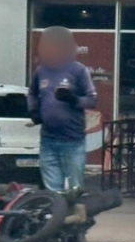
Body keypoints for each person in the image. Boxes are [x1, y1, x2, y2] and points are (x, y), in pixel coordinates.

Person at [28, 26, 97, 192]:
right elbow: (32, 93)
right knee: (52, 189)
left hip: (72, 141)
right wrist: (34, 111)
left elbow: (92, 100)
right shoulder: (41, 70)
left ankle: (74, 208)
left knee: (75, 188)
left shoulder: (78, 70)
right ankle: (56, 208)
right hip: (48, 139)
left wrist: (73, 99)